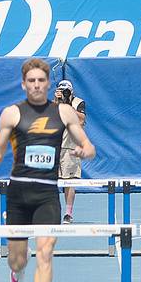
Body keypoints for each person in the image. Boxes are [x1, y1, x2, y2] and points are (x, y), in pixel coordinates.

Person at [0, 58, 95, 282]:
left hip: (47, 194)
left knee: (47, 253)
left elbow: (89, 147)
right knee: (17, 260)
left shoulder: (64, 113)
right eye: (32, 81)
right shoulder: (12, 114)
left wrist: (82, 152)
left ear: (48, 83)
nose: (37, 85)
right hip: (18, 195)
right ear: (24, 84)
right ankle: (18, 261)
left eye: (41, 80)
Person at [55, 80, 86, 224]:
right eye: (61, 90)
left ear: (71, 91)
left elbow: (81, 120)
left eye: (66, 91)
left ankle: (68, 213)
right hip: (54, 147)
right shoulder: (54, 103)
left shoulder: (78, 103)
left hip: (70, 147)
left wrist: (67, 105)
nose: (64, 93)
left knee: (70, 182)